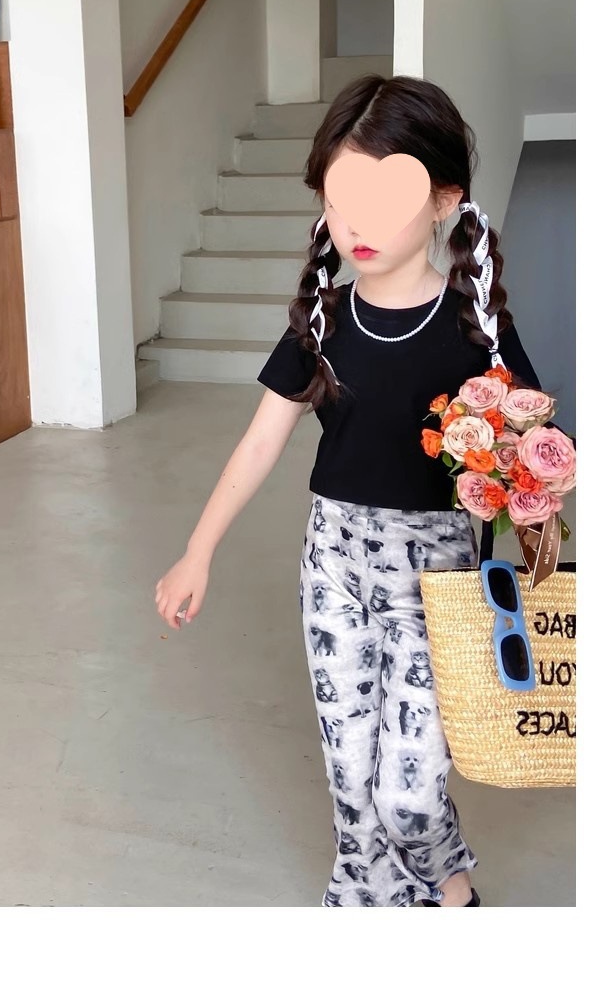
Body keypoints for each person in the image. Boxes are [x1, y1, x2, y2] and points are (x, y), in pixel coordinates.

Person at [154, 75, 540, 907]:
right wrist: (198, 549)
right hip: (333, 567)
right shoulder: (322, 323)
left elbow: (533, 459)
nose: (355, 224)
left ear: (443, 200)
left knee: (408, 793)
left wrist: (526, 476)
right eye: (339, 200)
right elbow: (261, 440)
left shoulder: (476, 330)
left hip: (437, 583)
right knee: (352, 784)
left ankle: (452, 887)